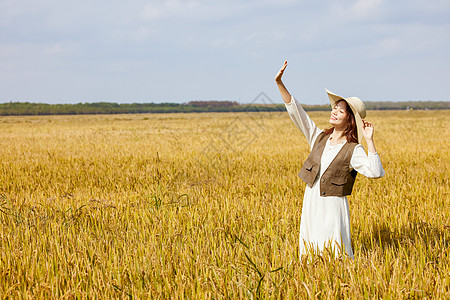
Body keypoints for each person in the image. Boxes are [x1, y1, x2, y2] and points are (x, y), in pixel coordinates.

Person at [275, 61, 385, 259]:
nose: (334, 111)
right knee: (310, 252)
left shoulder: (354, 149)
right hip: (311, 202)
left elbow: (375, 172)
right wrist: (280, 83)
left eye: (340, 110)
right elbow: (297, 113)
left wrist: (370, 141)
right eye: (335, 108)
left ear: (350, 119)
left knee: (334, 252)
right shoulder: (318, 137)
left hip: (333, 206)